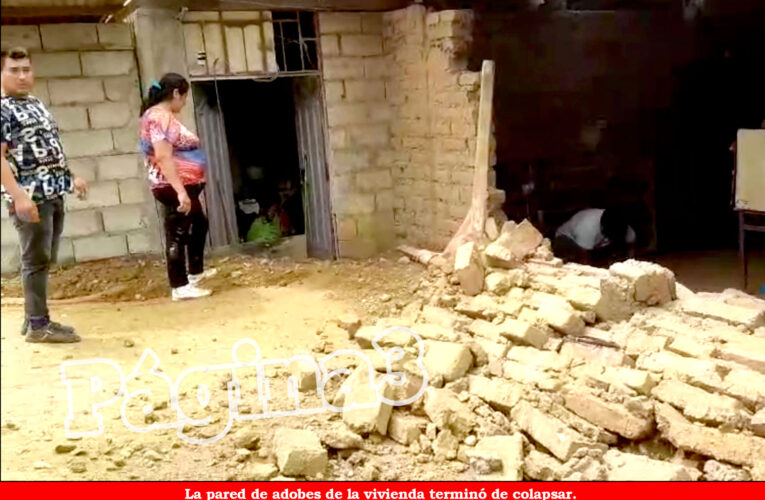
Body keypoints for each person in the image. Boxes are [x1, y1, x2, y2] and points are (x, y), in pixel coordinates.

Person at [1, 47, 88, 343]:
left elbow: (50, 148)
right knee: (35, 260)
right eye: (14, 70)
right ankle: (39, 326)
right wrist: (19, 196)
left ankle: (33, 319)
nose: (23, 76)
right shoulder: (2, 109)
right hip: (31, 197)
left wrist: (71, 176)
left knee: (43, 257)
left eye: (26, 69)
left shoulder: (35, 103)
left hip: (54, 192)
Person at [139, 73, 216, 301]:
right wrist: (181, 191)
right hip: (172, 184)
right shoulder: (158, 117)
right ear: (175, 93)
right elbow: (163, 156)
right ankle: (180, 286)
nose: (184, 103)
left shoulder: (162, 115)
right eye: (184, 97)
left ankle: (194, 273)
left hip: (183, 183)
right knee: (178, 233)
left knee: (199, 223)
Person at [553, 207, 636, 265]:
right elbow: (584, 257)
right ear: (602, 227)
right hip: (567, 239)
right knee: (574, 260)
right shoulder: (587, 227)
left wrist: (630, 262)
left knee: (615, 252)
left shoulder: (622, 225)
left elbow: (631, 245)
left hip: (594, 243)